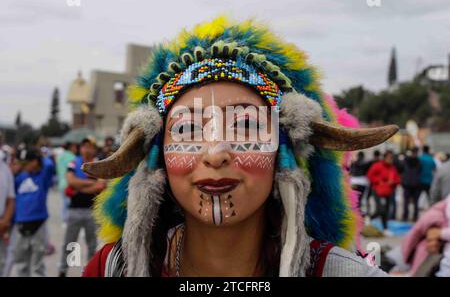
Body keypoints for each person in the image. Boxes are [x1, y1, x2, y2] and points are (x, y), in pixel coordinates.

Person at [80, 16, 398, 277]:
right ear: (158, 154)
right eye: (188, 129)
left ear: (282, 150)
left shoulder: (342, 273)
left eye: (246, 125)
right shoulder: (111, 269)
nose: (216, 153)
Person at [58, 137, 106, 277]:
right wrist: (91, 184)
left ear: (94, 149)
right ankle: (62, 271)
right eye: (84, 146)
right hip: (75, 210)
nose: (87, 149)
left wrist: (78, 188)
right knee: (69, 243)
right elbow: (70, 180)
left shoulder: (98, 164)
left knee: (92, 245)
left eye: (90, 146)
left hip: (93, 211)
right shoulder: (74, 162)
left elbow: (101, 185)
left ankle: (89, 273)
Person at [9, 148, 52, 277]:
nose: (22, 166)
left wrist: (38, 157)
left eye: (25, 163)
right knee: (21, 263)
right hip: (20, 223)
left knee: (38, 265)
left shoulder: (42, 175)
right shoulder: (18, 177)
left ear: (34, 162)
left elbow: (49, 163)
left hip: (38, 223)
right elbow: (12, 200)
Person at [367, 150, 401, 236]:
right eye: (389, 157)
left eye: (392, 157)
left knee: (386, 211)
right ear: (385, 157)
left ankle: (385, 228)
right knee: (380, 209)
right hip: (378, 190)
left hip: (389, 191)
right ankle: (369, 218)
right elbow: (370, 175)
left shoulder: (392, 168)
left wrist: (393, 182)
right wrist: (379, 181)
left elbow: (397, 179)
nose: (391, 159)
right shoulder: (377, 166)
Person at [56, 142, 78, 223]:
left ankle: (64, 220)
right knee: (69, 203)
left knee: (64, 203)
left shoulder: (60, 156)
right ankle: (68, 220)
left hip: (61, 182)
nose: (76, 149)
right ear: (71, 147)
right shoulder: (72, 157)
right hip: (69, 183)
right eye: (75, 147)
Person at [0, 159, 15, 276]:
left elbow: (11, 199)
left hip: (2, 223)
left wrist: (4, 222)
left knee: (2, 262)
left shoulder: (4, 169)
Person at [401, 148, 422, 221]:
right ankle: (406, 216)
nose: (415, 154)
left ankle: (413, 217)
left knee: (413, 202)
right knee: (407, 202)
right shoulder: (417, 161)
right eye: (415, 153)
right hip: (409, 184)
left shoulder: (407, 161)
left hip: (413, 185)